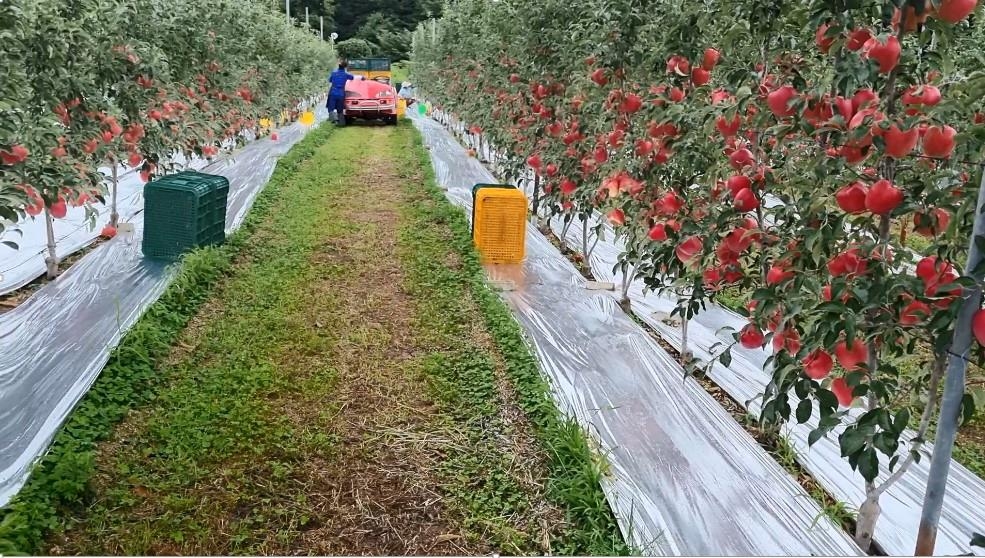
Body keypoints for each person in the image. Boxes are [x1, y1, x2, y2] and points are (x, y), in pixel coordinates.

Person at [326, 59, 364, 126]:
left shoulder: (334, 73)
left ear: (338, 66)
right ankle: (341, 123)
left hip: (333, 92)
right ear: (345, 67)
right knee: (340, 109)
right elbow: (353, 77)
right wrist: (361, 77)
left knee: (330, 108)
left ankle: (332, 121)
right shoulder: (346, 74)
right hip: (341, 93)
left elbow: (330, 80)